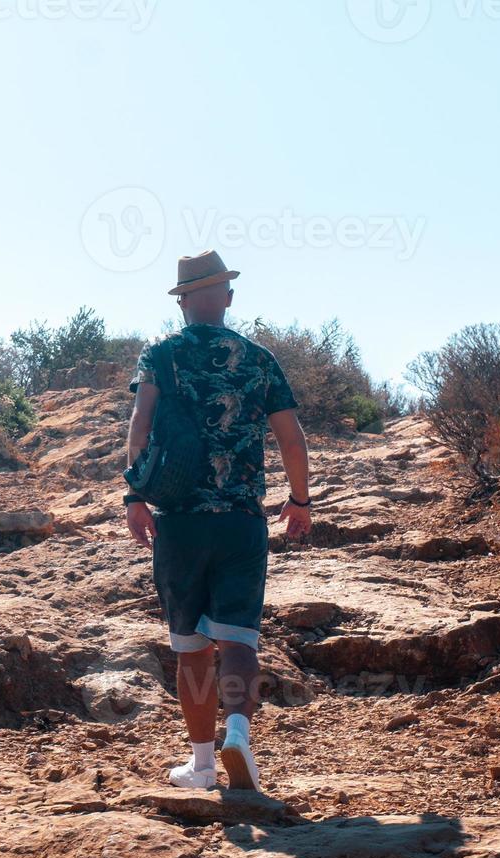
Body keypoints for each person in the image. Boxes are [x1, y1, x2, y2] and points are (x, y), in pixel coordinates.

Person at [125, 250, 312, 792]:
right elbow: (291, 439)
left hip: (178, 522)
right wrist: (299, 502)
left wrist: (134, 494)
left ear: (182, 301)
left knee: (190, 649)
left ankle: (203, 764)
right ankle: (238, 733)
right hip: (241, 523)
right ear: (227, 296)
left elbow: (140, 424)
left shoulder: (161, 355)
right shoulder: (258, 359)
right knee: (237, 640)